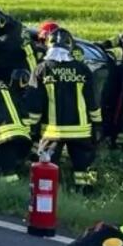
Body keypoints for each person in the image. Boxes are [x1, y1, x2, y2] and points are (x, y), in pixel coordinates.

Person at [24, 28, 102, 193]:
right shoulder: (82, 69)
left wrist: (31, 128)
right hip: (81, 131)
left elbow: (34, 104)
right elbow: (93, 101)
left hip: (53, 132)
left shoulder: (42, 69)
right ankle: (87, 197)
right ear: (70, 46)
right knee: (85, 168)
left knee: (47, 168)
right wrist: (97, 124)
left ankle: (50, 196)